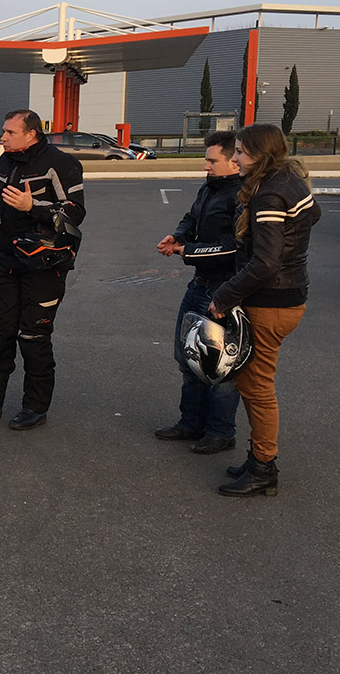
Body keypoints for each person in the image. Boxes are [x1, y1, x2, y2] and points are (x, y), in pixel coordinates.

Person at [207, 123, 320, 497]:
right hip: (287, 296)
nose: (235, 157)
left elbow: (266, 262)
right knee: (254, 383)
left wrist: (223, 296)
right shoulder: (289, 179)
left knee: (256, 387)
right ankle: (258, 456)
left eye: (240, 151)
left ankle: (263, 468)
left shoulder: (269, 194)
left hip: (271, 302)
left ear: (261, 154)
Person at [0, 109, 85, 431]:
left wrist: (33, 208)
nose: (2, 138)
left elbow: (75, 212)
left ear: (31, 134)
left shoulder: (62, 163)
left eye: (9, 133)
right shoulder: (5, 161)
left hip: (45, 267)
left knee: (34, 336)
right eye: (3, 132)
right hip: (8, 262)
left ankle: (35, 408)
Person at [153, 131, 243, 454]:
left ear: (234, 161)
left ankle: (220, 431)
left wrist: (186, 250)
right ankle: (190, 422)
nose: (206, 166)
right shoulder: (210, 187)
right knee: (188, 356)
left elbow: (234, 249)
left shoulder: (242, 196)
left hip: (225, 290)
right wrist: (176, 236)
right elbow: (191, 218)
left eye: (212, 160)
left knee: (221, 365)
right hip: (199, 284)